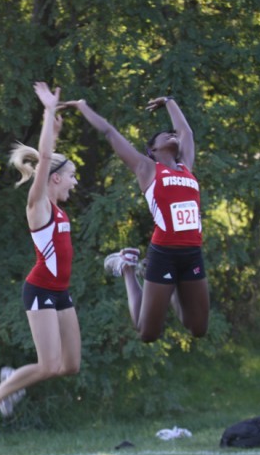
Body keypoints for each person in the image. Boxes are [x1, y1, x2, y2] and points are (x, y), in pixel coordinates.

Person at [0, 83, 80, 440]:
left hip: (60, 292)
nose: (75, 183)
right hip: (40, 290)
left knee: (69, 365)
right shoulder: (39, 206)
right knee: (49, 364)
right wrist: (49, 113)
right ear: (53, 178)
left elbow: (51, 156)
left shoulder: (61, 211)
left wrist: (55, 124)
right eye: (71, 177)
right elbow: (47, 157)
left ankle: (14, 378)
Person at [62, 95, 208, 342]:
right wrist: (82, 106)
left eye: (172, 133)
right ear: (152, 149)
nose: (171, 134)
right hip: (164, 254)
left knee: (197, 328)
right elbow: (109, 131)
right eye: (165, 134)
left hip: (192, 253)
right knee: (147, 332)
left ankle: (168, 286)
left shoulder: (186, 167)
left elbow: (187, 132)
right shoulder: (147, 168)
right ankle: (128, 267)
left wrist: (169, 101)